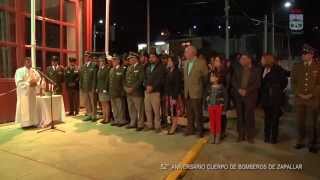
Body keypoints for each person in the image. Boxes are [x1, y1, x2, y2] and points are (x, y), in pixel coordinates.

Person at [291, 44, 320, 153]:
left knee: (313, 123)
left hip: (313, 99)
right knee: (300, 122)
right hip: (300, 99)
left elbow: (319, 84)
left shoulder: (317, 66)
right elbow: (293, 82)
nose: (302, 55)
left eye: (305, 54)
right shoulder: (297, 66)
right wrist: (299, 93)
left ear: (311, 55)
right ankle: (300, 141)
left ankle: (313, 143)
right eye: (302, 54)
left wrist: (312, 94)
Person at [231, 53, 261, 144]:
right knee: (240, 116)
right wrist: (239, 89)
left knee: (249, 116)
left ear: (249, 60)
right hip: (239, 96)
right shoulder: (237, 69)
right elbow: (233, 81)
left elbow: (257, 84)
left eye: (243, 59)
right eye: (241, 59)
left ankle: (250, 136)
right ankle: (240, 135)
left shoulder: (256, 70)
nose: (241, 60)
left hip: (250, 96)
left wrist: (246, 91)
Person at [260, 54, 288, 144]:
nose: (261, 61)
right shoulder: (263, 69)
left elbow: (284, 82)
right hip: (265, 98)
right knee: (267, 118)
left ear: (267, 60)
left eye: (262, 59)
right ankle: (267, 136)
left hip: (275, 98)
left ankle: (273, 138)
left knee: (275, 119)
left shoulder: (278, 69)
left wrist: (277, 91)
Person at [183, 46, 208, 138]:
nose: (185, 54)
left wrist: (201, 88)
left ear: (192, 52)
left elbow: (206, 78)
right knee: (189, 113)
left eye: (186, 52)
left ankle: (200, 131)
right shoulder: (185, 63)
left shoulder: (201, 63)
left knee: (198, 113)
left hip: (197, 92)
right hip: (187, 92)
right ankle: (190, 129)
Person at [207, 55, 228, 144]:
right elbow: (207, 95)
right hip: (211, 105)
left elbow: (225, 96)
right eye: (215, 60)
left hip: (218, 106)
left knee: (218, 121)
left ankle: (218, 135)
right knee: (212, 121)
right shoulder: (210, 86)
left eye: (217, 60)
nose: (216, 62)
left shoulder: (222, 85)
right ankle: (213, 135)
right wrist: (207, 102)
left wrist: (224, 106)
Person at [15, 57, 41, 128]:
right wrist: (29, 84)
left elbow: (39, 79)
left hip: (32, 93)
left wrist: (36, 83)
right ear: (25, 62)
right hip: (24, 94)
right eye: (28, 62)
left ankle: (34, 122)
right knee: (25, 107)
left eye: (30, 62)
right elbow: (19, 82)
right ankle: (25, 124)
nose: (30, 63)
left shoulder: (34, 71)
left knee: (33, 107)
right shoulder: (19, 71)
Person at [144, 52, 166, 133]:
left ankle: (157, 126)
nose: (151, 59)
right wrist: (146, 86)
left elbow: (160, 80)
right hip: (147, 91)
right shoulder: (147, 67)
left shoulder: (161, 67)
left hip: (156, 92)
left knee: (156, 110)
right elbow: (144, 78)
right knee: (148, 109)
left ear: (157, 58)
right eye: (150, 57)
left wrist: (152, 87)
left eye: (153, 57)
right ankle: (150, 125)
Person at [124, 52, 145, 131]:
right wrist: (125, 87)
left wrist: (132, 88)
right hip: (129, 93)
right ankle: (133, 123)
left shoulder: (140, 67)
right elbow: (126, 79)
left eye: (131, 58)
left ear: (136, 59)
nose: (130, 60)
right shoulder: (129, 68)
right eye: (129, 59)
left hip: (137, 92)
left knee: (139, 109)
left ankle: (140, 124)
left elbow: (140, 80)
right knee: (131, 108)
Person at [164, 56, 183, 135]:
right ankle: (173, 125)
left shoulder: (177, 72)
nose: (168, 62)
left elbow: (177, 85)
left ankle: (174, 126)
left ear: (174, 62)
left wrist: (175, 97)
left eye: (170, 61)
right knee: (170, 112)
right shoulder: (168, 71)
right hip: (168, 95)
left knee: (174, 111)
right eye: (168, 61)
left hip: (174, 95)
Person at [109, 55, 128, 127]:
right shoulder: (111, 70)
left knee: (120, 107)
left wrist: (123, 92)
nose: (113, 61)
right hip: (112, 92)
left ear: (118, 61)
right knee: (114, 107)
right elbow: (110, 82)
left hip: (119, 93)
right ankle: (116, 119)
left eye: (115, 60)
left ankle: (122, 120)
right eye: (113, 60)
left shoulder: (122, 69)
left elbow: (124, 82)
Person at [80, 51, 98, 121]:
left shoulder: (94, 65)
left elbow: (94, 78)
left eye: (87, 56)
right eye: (85, 56)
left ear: (90, 57)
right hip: (85, 87)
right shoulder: (83, 66)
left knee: (93, 102)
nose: (85, 57)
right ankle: (89, 114)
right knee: (87, 102)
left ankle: (94, 115)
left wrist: (94, 87)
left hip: (91, 87)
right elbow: (81, 77)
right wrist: (81, 86)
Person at [96, 56, 111, 124]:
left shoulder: (107, 69)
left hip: (105, 89)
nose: (101, 62)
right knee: (102, 104)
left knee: (106, 104)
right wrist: (97, 88)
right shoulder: (100, 69)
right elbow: (98, 80)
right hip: (100, 89)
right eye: (100, 61)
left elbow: (107, 80)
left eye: (102, 61)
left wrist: (105, 88)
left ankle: (107, 118)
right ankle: (104, 117)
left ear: (105, 62)